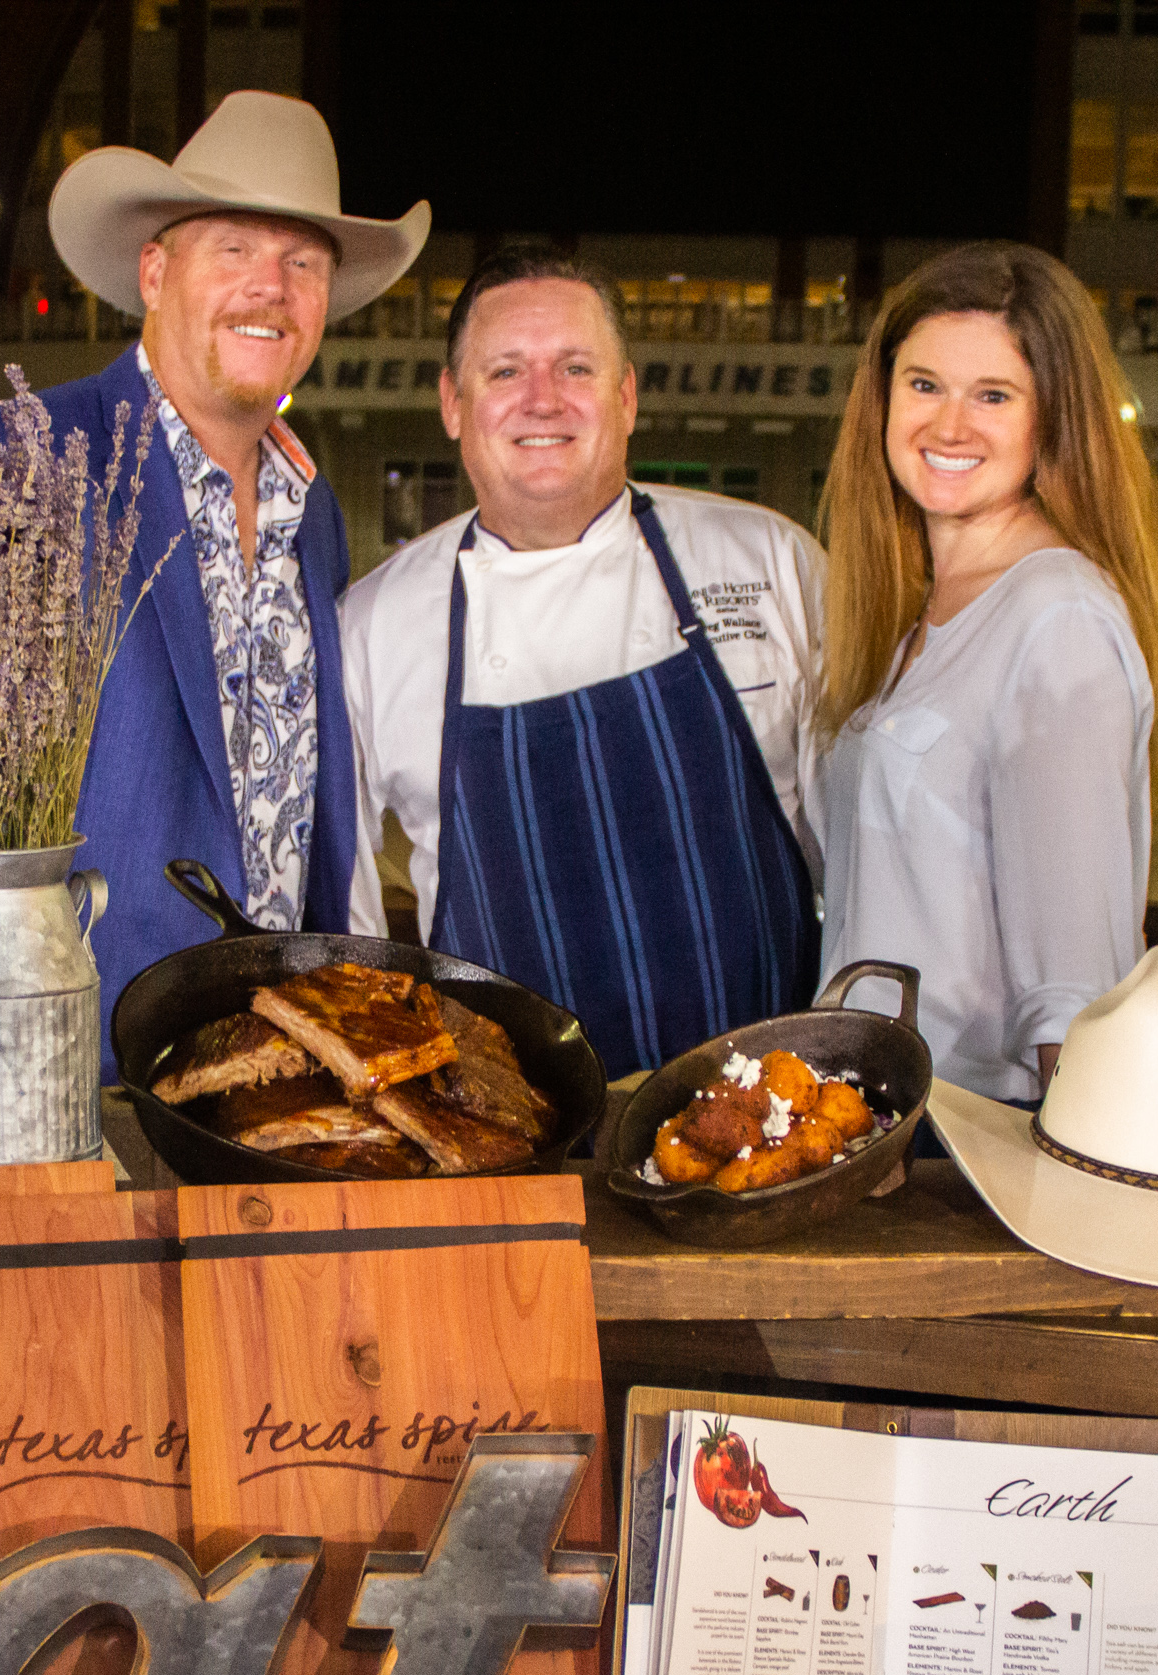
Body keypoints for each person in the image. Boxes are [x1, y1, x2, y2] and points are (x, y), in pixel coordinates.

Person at [0, 92, 428, 1161]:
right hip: (47, 1092)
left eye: (303, 263)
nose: (269, 288)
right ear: (154, 273)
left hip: (252, 1089)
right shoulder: (16, 466)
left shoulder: (311, 507)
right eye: (233, 247)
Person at [338, 251, 824, 1075]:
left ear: (626, 396)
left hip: (776, 1128)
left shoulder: (771, 562)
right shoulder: (375, 624)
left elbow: (857, 856)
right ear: (453, 404)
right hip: (513, 1149)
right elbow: (349, 925)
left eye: (575, 367)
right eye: (505, 372)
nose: (543, 400)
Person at [804, 242, 1158, 1108]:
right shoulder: (911, 615)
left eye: (993, 395)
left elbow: (1072, 976)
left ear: (1050, 418)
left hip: (982, 1134)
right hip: (879, 1117)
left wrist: (1069, 1192)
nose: (950, 426)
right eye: (924, 385)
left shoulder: (1055, 616)